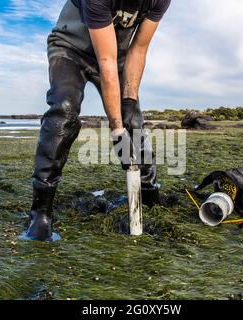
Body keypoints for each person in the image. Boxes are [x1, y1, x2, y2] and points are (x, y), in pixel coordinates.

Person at [23, 0, 172, 241]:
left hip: (117, 55)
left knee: (131, 119)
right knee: (65, 111)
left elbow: (138, 49)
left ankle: (149, 193)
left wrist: (129, 102)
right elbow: (105, 61)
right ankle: (40, 213)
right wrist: (116, 130)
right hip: (71, 50)